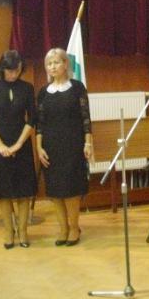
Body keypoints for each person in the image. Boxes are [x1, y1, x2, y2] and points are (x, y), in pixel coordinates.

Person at [36, 48, 93, 247]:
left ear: (65, 64)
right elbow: (39, 124)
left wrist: (88, 142)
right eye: (49, 64)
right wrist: (39, 147)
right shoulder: (43, 92)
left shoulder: (77, 88)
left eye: (56, 62)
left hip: (73, 146)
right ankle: (63, 229)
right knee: (55, 192)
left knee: (71, 191)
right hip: (51, 147)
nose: (52, 67)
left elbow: (86, 118)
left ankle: (74, 227)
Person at [0, 50, 38, 249]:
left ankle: (23, 231)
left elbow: (32, 119)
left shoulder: (27, 88)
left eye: (17, 70)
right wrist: (0, 145)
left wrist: (18, 144)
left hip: (22, 145)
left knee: (24, 192)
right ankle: (9, 232)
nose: (14, 74)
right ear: (2, 69)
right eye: (10, 71)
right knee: (4, 192)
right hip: (0, 147)